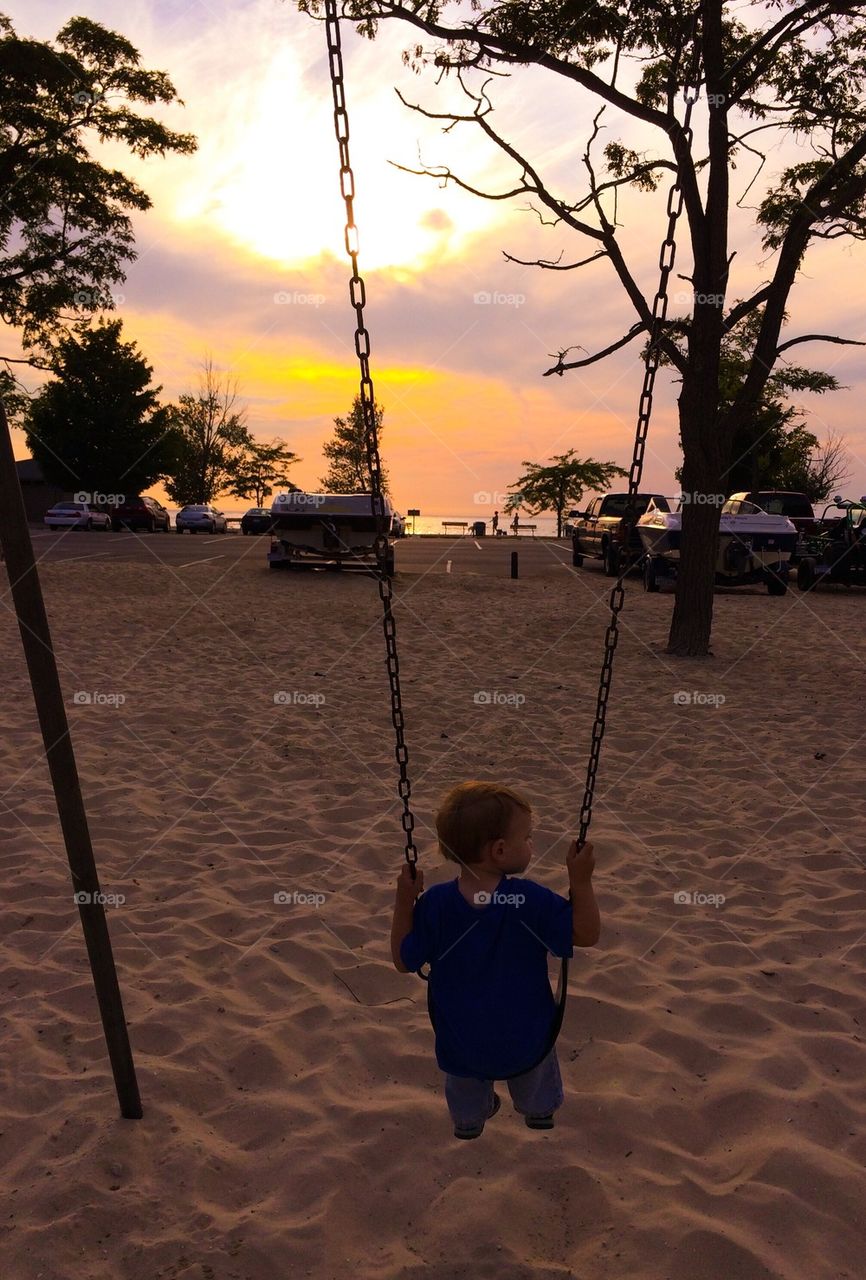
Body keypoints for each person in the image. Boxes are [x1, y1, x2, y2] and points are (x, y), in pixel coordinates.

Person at [390, 781, 600, 1139]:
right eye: (528, 837)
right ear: (500, 850)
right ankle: (538, 1111)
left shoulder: (436, 905)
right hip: (526, 1039)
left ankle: (469, 1121)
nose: (531, 844)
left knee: (463, 1076)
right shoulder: (530, 901)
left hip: (462, 1043)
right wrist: (581, 881)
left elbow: (402, 960)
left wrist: (403, 900)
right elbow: (586, 934)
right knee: (536, 1062)